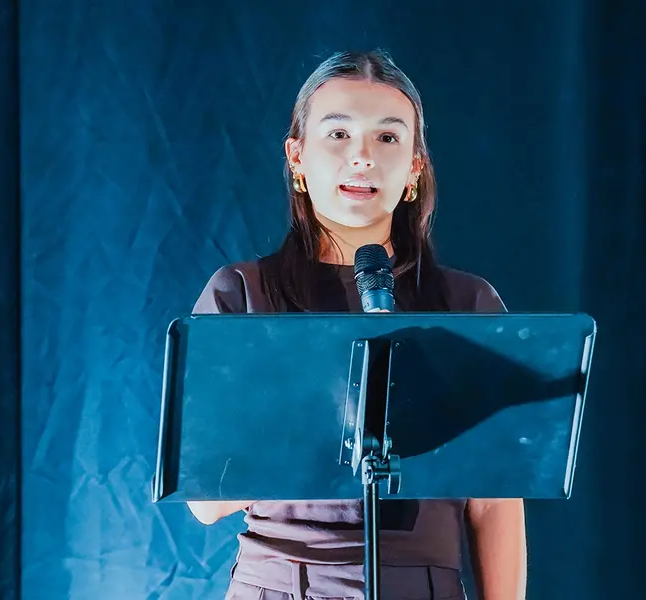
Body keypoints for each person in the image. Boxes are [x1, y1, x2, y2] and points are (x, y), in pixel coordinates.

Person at [187, 50, 527, 600]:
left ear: (414, 167)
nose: (362, 156)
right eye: (338, 134)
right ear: (297, 157)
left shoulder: (467, 303)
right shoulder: (242, 295)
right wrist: (337, 413)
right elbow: (206, 502)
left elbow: (494, 502)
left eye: (387, 138)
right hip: (279, 585)